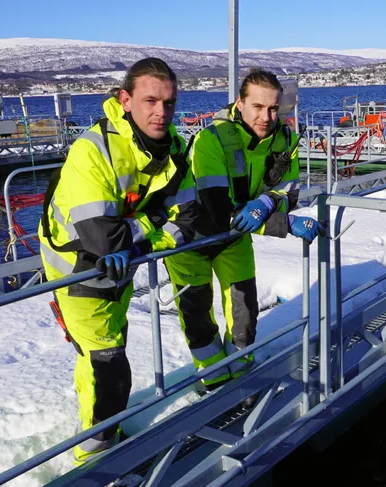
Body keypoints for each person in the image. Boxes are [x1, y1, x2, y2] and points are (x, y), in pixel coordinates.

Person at [37, 57, 196, 465]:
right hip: (77, 271)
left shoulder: (172, 147)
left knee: (105, 351)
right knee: (108, 367)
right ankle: (92, 462)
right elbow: (104, 239)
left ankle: (106, 434)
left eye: (169, 103)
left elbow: (191, 215)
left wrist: (138, 240)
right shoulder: (94, 150)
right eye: (149, 101)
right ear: (125, 100)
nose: (161, 112)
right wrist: (156, 220)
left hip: (123, 267)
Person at [164, 70, 323, 394]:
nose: (266, 116)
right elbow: (218, 208)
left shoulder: (286, 140)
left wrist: (264, 203)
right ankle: (214, 382)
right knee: (198, 317)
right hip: (191, 238)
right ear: (240, 103)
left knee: (244, 311)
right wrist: (283, 223)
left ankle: (242, 372)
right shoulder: (213, 138)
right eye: (258, 107)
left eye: (273, 108)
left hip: (233, 240)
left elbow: (287, 192)